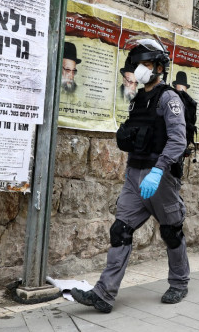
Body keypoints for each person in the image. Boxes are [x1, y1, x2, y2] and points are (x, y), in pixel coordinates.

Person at [71, 38, 189, 313]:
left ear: (159, 67)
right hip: (134, 175)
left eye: (146, 64)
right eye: (138, 65)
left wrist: (158, 170)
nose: (140, 70)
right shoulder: (138, 100)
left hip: (160, 177)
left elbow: (178, 141)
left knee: (171, 232)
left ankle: (179, 283)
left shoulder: (168, 98)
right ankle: (104, 294)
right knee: (120, 230)